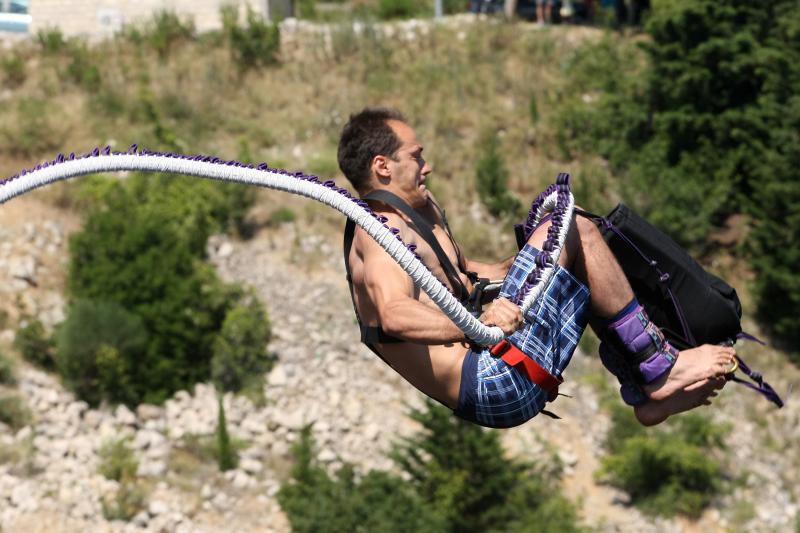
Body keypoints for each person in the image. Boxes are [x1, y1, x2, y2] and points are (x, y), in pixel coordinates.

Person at [338, 107, 732, 428]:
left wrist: (521, 260)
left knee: (574, 238)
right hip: (489, 383)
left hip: (504, 365)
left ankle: (646, 389)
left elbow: (464, 276)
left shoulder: (420, 213)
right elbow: (393, 314)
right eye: (416, 156)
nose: (428, 166)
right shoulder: (374, 234)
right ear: (382, 166)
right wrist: (476, 323)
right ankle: (660, 369)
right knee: (573, 228)